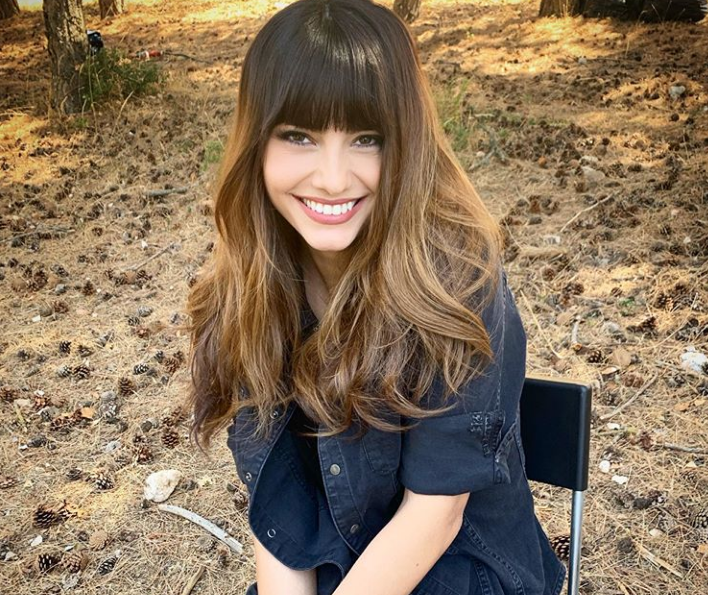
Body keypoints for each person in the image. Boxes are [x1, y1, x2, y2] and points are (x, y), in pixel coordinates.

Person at [185, 1, 566, 594]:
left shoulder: (460, 290)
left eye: (367, 139)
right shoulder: (247, 290)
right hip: (339, 563)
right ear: (256, 142)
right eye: (299, 136)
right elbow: (280, 504)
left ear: (406, 144)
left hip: (461, 569)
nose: (334, 178)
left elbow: (434, 516)